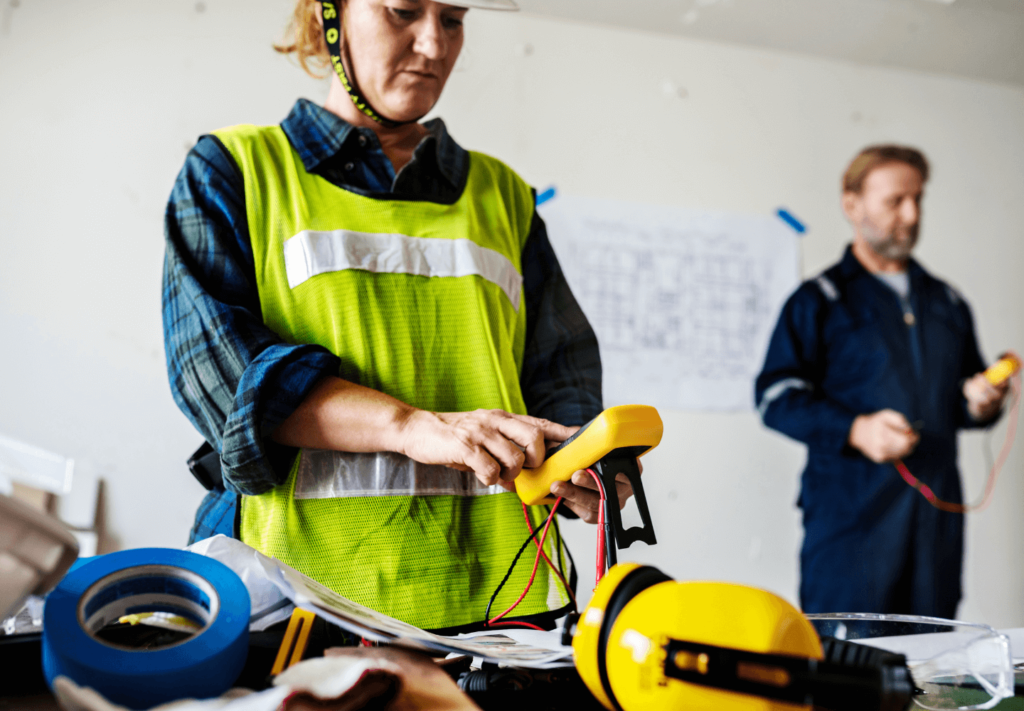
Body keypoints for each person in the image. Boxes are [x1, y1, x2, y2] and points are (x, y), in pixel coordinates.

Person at [162, 0, 633, 633]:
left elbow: (561, 372)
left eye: (455, 19)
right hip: (297, 600)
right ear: (324, 18)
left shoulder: (505, 197)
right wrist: (413, 426)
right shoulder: (234, 171)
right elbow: (222, 381)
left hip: (504, 610)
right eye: (404, 11)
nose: (435, 46)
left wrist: (585, 461)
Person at [755, 145, 1009, 617]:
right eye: (895, 201)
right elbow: (773, 398)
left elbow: (961, 404)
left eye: (918, 200)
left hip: (935, 529)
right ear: (852, 204)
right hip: (850, 530)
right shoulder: (818, 300)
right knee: (847, 673)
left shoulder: (949, 303)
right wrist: (856, 430)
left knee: (933, 673)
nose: (911, 215)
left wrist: (982, 403)